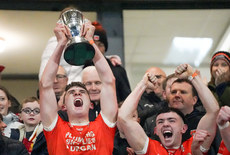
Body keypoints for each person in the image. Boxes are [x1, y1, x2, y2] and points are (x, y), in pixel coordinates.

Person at [39, 18, 117, 155]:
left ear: (91, 104)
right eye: (71, 93)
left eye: (82, 91)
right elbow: (45, 84)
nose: (77, 94)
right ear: (63, 106)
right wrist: (61, 43)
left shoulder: (104, 126)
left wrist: (90, 41)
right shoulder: (54, 128)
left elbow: (108, 80)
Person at [118, 63, 219, 154]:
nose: (166, 124)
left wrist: (192, 76)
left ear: (184, 128)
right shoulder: (150, 148)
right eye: (160, 122)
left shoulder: (194, 146)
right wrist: (143, 85)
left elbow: (213, 111)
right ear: (156, 130)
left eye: (172, 120)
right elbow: (124, 117)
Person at [39, 7, 124, 84]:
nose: (73, 26)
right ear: (61, 24)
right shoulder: (54, 44)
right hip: (62, 93)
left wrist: (109, 59)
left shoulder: (84, 42)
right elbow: (44, 78)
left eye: (77, 21)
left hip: (81, 90)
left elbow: (92, 59)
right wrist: (61, 43)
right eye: (69, 22)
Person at [84, 21, 131, 103]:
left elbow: (127, 100)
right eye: (93, 44)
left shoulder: (117, 70)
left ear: (105, 48)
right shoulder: (80, 68)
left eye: (100, 45)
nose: (96, 48)